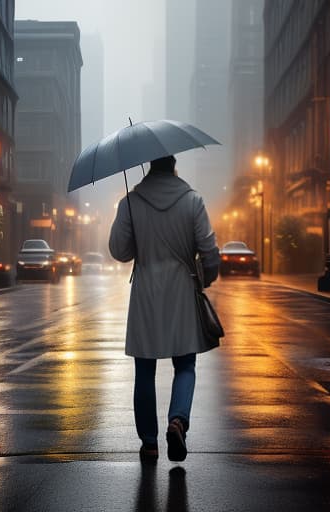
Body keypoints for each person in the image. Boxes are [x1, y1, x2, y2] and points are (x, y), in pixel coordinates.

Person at [109, 155, 220, 462]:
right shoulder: (193, 201)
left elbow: (119, 251)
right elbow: (210, 251)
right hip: (182, 288)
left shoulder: (130, 202)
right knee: (185, 364)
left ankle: (149, 442)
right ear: (174, 168)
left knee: (144, 369)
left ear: (148, 169)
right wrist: (205, 278)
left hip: (145, 291)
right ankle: (177, 420)